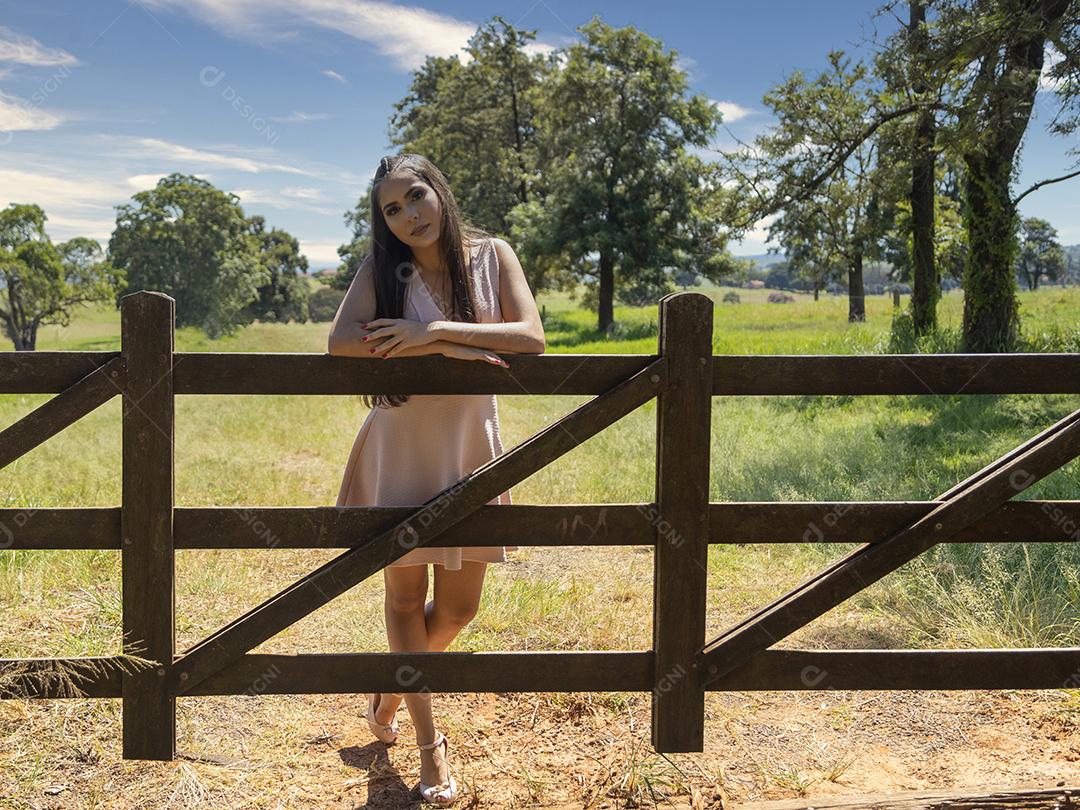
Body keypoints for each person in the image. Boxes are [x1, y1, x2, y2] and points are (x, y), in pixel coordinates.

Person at [327, 153, 546, 806]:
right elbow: (340, 342)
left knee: (458, 610)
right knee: (403, 601)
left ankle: (390, 690)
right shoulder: (382, 271)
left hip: (468, 448)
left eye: (416, 196)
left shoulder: (492, 255)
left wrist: (435, 332)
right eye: (392, 209)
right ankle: (428, 745)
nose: (408, 216)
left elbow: (530, 337)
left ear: (439, 192)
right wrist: (446, 348)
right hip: (399, 445)